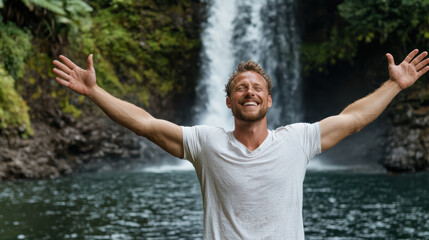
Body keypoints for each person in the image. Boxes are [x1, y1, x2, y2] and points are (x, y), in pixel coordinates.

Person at [53, 49, 429, 239]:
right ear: (230, 102)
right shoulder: (205, 143)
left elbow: (354, 119)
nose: (249, 91)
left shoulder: (297, 140)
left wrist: (395, 84)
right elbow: (147, 125)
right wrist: (94, 91)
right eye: (240, 88)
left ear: (269, 101)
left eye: (257, 88)